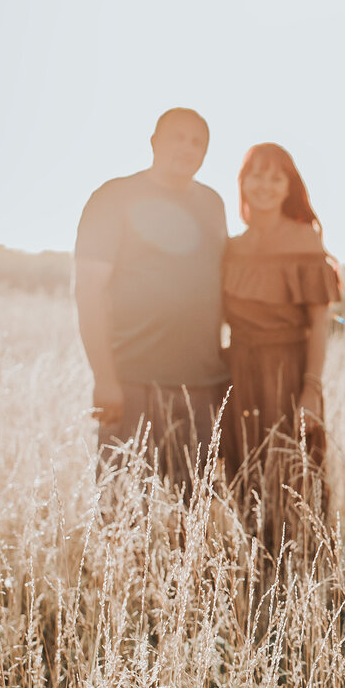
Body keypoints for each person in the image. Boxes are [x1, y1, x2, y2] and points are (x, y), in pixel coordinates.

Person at [75, 108, 228, 491]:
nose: (187, 147)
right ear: (154, 141)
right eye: (177, 136)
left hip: (201, 384)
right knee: (121, 509)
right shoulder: (114, 196)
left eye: (198, 142)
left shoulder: (213, 203)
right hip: (132, 380)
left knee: (190, 509)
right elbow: (88, 290)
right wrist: (104, 378)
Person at [222, 143, 339, 531]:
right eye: (257, 175)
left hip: (289, 373)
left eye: (277, 177)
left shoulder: (305, 239)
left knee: (295, 480)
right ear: (242, 182)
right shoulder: (230, 247)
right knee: (246, 480)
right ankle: (254, 575)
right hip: (238, 373)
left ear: (290, 187)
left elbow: (319, 323)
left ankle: (301, 573)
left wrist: (311, 389)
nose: (266, 185)